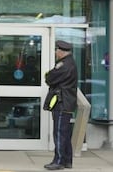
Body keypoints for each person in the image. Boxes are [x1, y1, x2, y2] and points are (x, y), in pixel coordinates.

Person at [43, 40, 77, 170]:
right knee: (65, 133)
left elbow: (50, 78)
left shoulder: (64, 65)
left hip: (62, 103)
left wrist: (49, 75)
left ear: (62, 51)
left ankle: (58, 161)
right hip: (66, 102)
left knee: (59, 133)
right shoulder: (70, 63)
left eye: (57, 50)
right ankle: (67, 160)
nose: (56, 53)